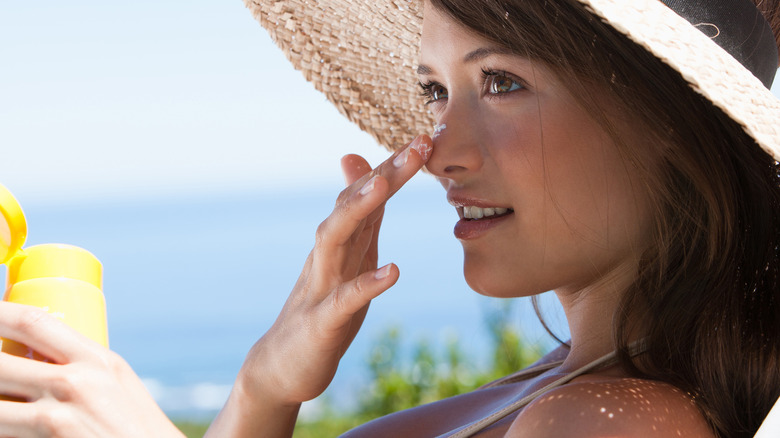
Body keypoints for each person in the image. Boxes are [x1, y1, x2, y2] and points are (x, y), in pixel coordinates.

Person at [0, 0, 778, 437]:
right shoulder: (565, 382)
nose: (441, 153)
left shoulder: (615, 421)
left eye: (502, 82)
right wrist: (266, 385)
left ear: (669, 120)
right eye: (436, 91)